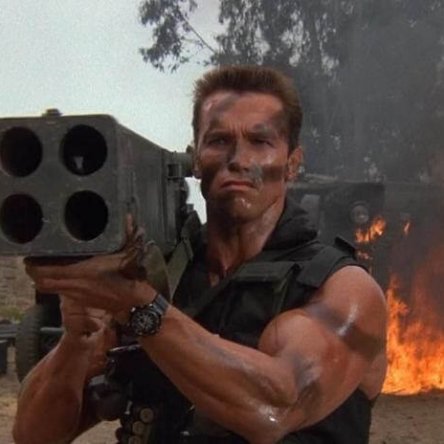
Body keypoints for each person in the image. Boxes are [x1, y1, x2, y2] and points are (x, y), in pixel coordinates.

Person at [13, 65, 387, 444]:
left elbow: (275, 408)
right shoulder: (165, 278)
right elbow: (34, 435)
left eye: (260, 141)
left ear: (292, 163)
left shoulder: (342, 288)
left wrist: (139, 307)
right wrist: (78, 339)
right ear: (196, 159)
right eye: (219, 141)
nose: (238, 158)